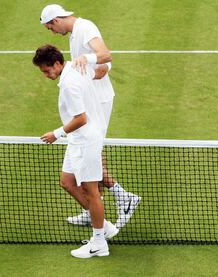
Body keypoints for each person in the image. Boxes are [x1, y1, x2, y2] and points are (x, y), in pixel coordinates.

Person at [40, 4, 141, 229]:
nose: (52, 33)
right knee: (89, 157)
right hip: (90, 99)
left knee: (91, 155)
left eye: (50, 28)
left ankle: (123, 197)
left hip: (99, 101)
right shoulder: (75, 35)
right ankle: (95, 209)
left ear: (56, 20)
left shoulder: (85, 27)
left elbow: (105, 58)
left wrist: (86, 64)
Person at [33, 44, 117, 258]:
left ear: (58, 63)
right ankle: (105, 226)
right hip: (78, 140)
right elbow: (106, 64)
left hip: (86, 140)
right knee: (67, 182)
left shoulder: (70, 84)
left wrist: (56, 133)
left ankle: (99, 242)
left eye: (47, 70)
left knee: (92, 192)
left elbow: (81, 118)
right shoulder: (77, 66)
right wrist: (89, 59)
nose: (46, 75)